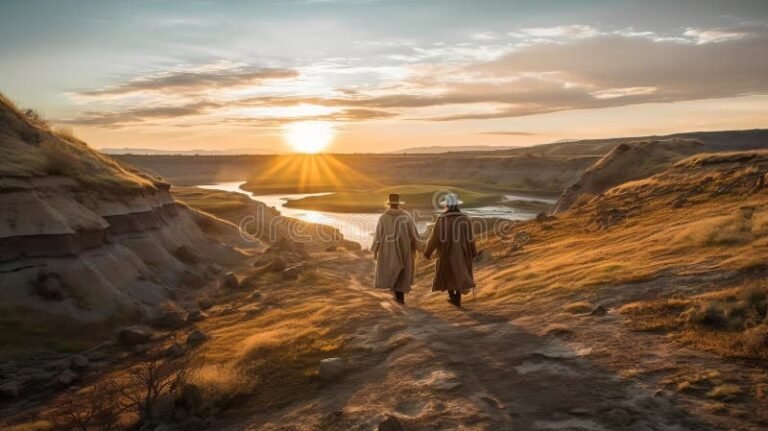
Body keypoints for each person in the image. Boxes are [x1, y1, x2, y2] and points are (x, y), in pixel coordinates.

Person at [424, 193, 477, 307]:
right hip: (462, 253)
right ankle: (456, 298)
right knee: (459, 274)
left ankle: (453, 297)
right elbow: (470, 238)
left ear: (447, 205)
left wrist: (428, 252)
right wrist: (473, 251)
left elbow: (434, 238)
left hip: (446, 252)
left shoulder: (442, 219)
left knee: (447, 274)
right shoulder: (464, 219)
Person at [371, 193, 420, 304]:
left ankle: (397, 295)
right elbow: (413, 234)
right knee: (402, 272)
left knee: (391, 269)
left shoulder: (383, 217)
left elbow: (378, 236)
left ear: (389, 204)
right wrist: (415, 247)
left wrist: (375, 250)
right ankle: (400, 296)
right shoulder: (406, 216)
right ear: (398, 203)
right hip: (404, 249)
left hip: (388, 250)